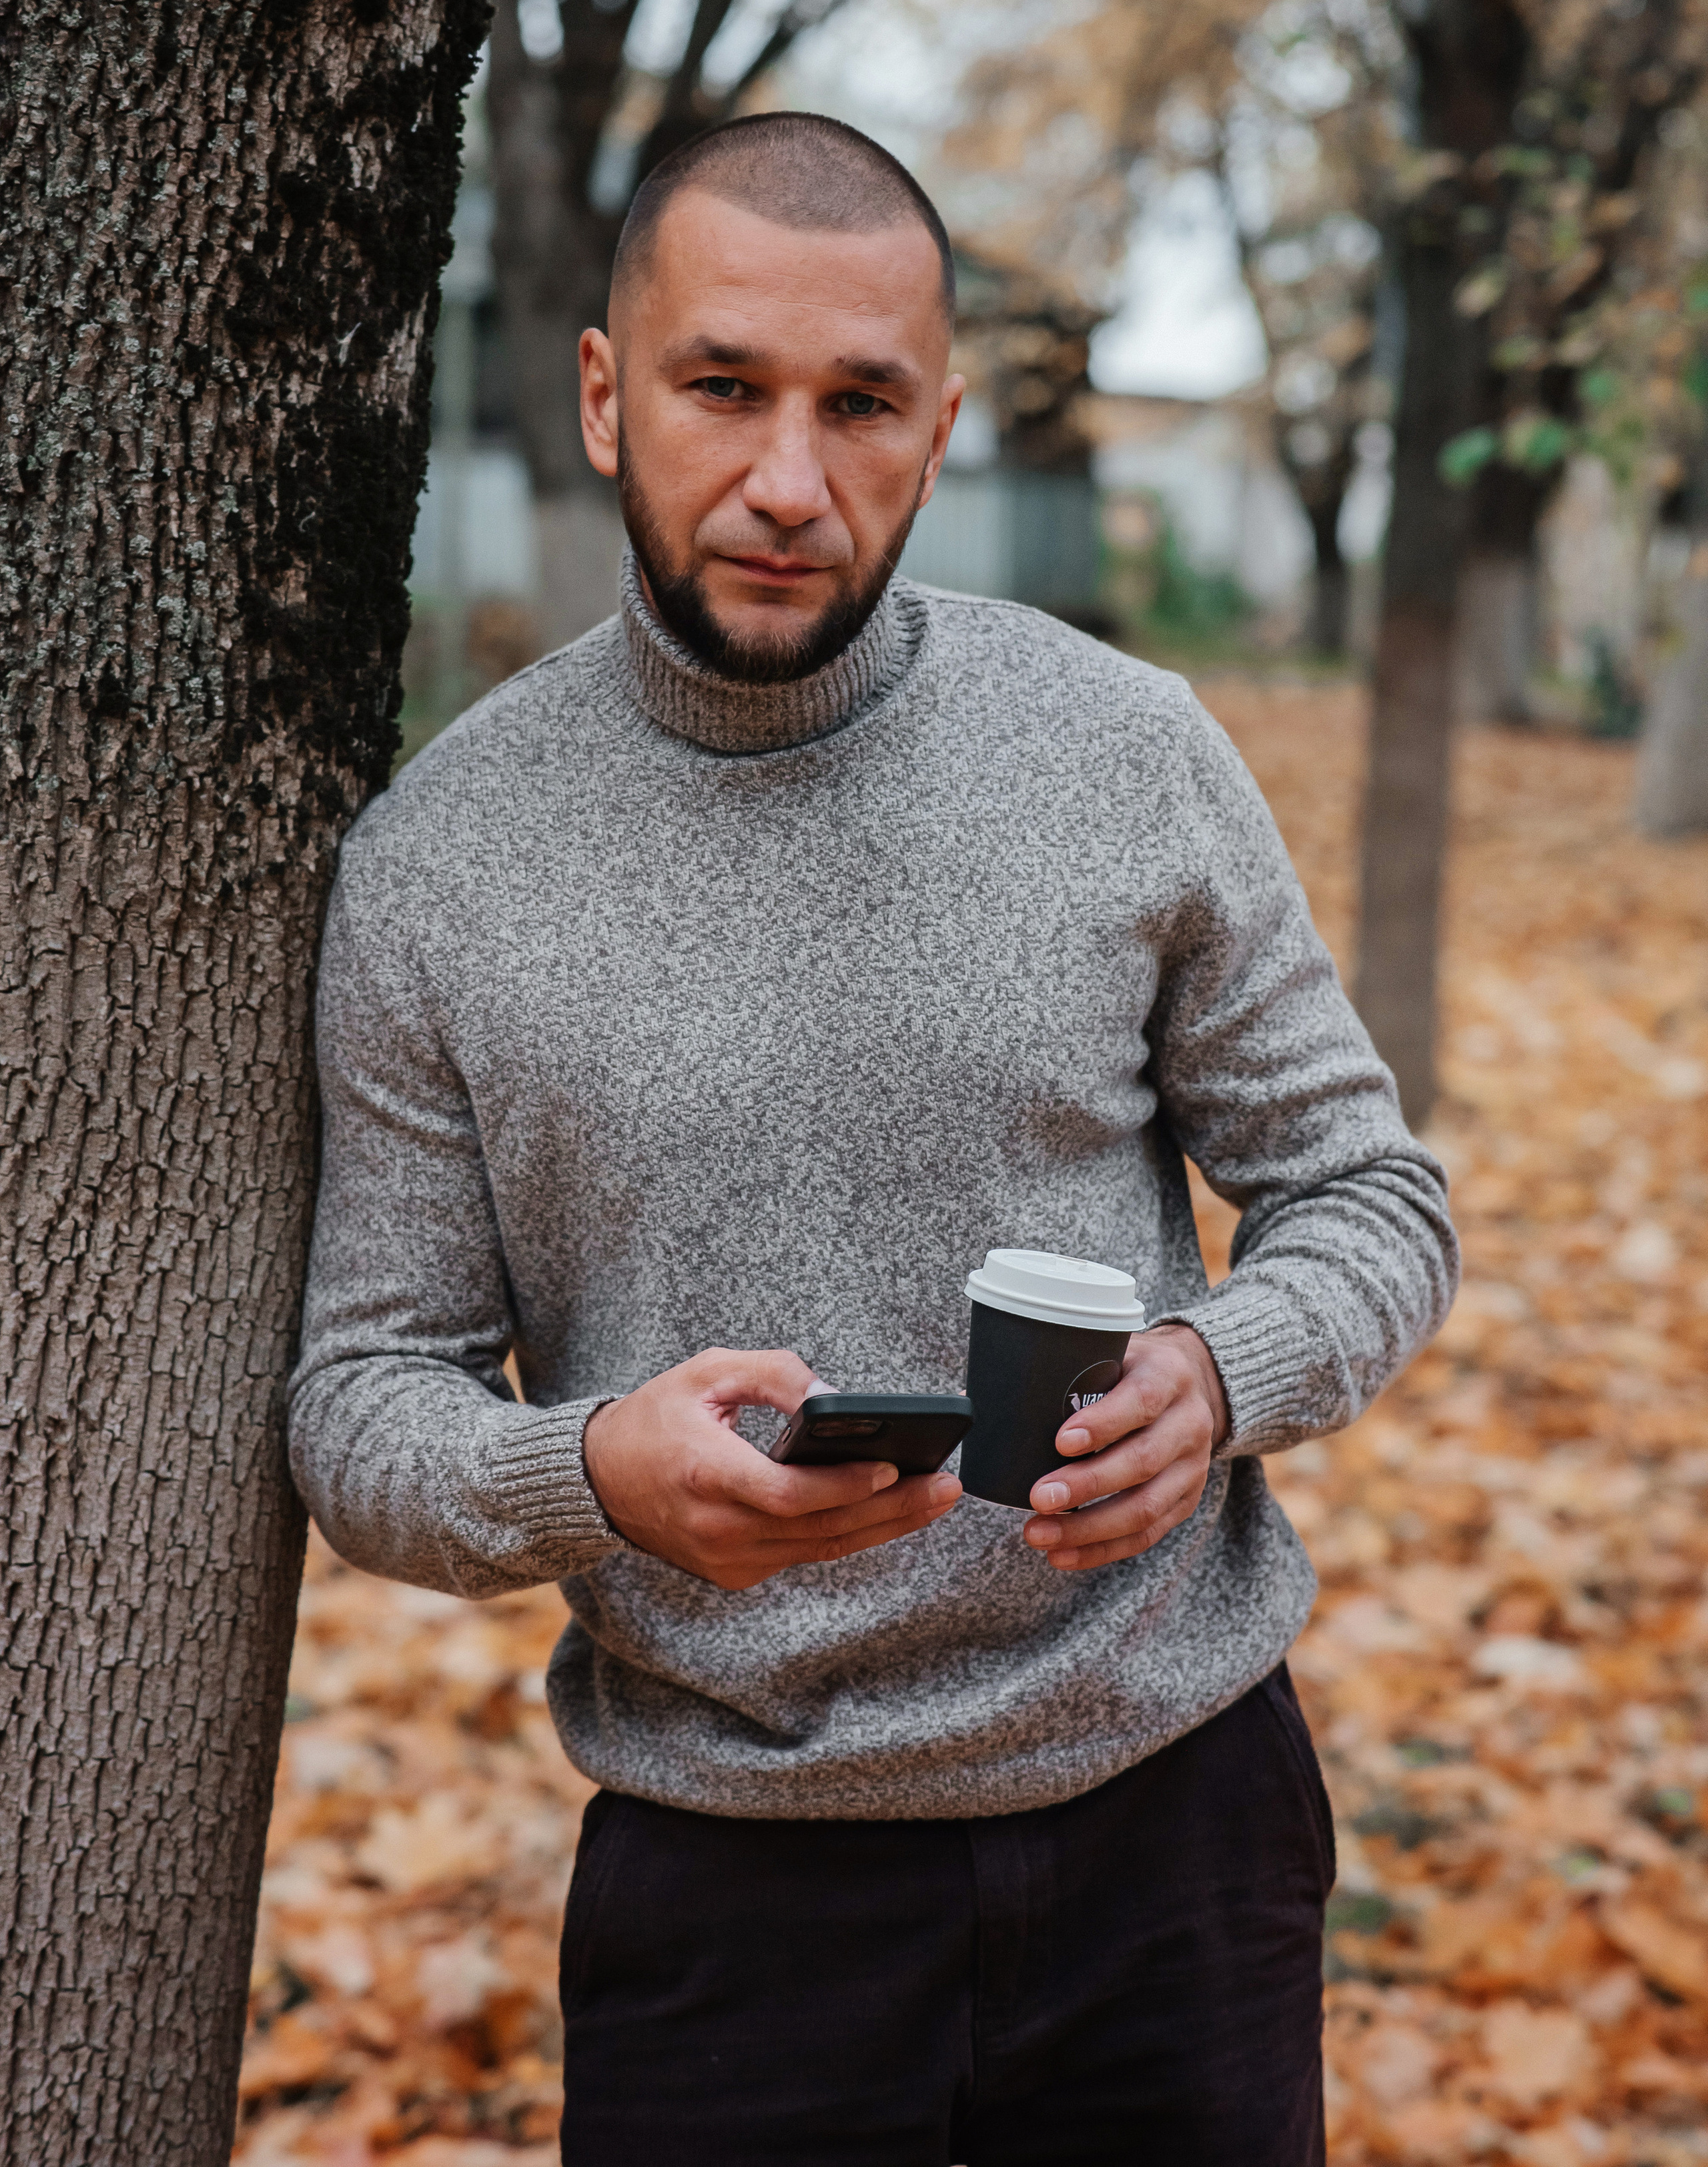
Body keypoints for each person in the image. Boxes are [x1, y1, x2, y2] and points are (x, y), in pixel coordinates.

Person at [290, 111, 1458, 2166]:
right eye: (721, 387)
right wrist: (592, 1475)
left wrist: (1218, 1374)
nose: (786, 479)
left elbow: (1372, 1197)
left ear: (938, 431)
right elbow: (362, 1403)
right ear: (602, 396)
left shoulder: (1126, 751)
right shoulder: (440, 868)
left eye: (860, 404)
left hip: (1174, 1835)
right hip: (730, 1893)